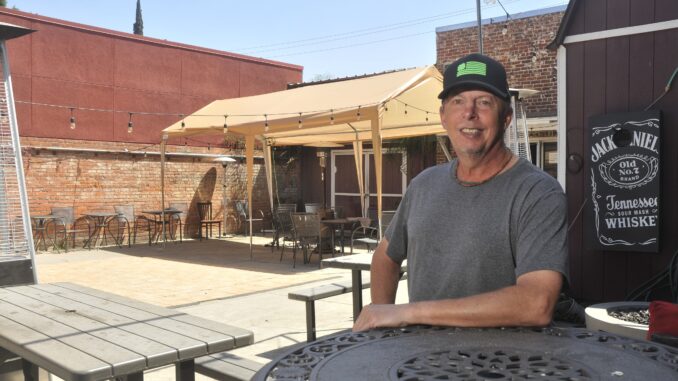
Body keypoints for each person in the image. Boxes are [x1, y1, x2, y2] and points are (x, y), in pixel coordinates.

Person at [353, 53, 568, 331]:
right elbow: (385, 255)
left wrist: (407, 312)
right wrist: (384, 324)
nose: (469, 113)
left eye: (484, 102)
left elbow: (536, 304)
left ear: (506, 119)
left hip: (503, 365)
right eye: (458, 101)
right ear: (443, 117)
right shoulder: (423, 185)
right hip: (422, 362)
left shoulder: (537, 193)